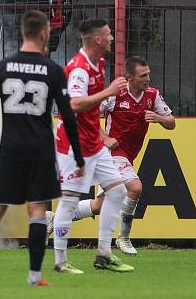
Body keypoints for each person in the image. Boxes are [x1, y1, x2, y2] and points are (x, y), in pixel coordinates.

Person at [0, 10, 84, 287]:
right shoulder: (52, 70)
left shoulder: (3, 67)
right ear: (42, 33)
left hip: (10, 150)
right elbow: (67, 114)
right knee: (37, 210)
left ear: (24, 32)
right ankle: (35, 276)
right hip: (40, 150)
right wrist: (77, 153)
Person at [46, 56, 175, 255]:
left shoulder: (152, 95)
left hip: (129, 154)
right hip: (111, 153)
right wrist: (104, 137)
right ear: (130, 77)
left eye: (148, 74)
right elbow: (86, 116)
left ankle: (54, 218)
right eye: (143, 75)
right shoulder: (116, 96)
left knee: (99, 206)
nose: (148, 79)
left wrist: (159, 118)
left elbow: (171, 122)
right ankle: (123, 239)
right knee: (135, 187)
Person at [50, 18, 134, 274]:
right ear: (97, 39)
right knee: (69, 201)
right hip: (73, 145)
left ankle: (104, 254)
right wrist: (108, 92)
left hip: (94, 144)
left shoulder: (98, 63)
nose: (112, 38)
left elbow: (88, 109)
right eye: (108, 35)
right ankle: (60, 261)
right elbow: (74, 104)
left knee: (118, 192)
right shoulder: (79, 68)